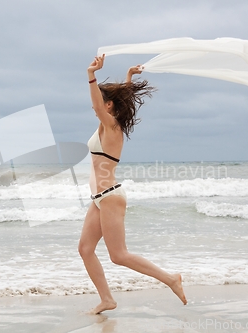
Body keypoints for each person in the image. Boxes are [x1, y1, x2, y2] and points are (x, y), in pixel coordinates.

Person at [78, 54, 187, 314]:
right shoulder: (106, 125)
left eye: (99, 104)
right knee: (85, 249)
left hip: (111, 196)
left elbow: (97, 103)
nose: (94, 107)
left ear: (108, 106)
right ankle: (107, 299)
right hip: (100, 198)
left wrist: (91, 75)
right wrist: (128, 77)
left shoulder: (112, 126)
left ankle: (171, 279)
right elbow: (107, 102)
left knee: (119, 255)